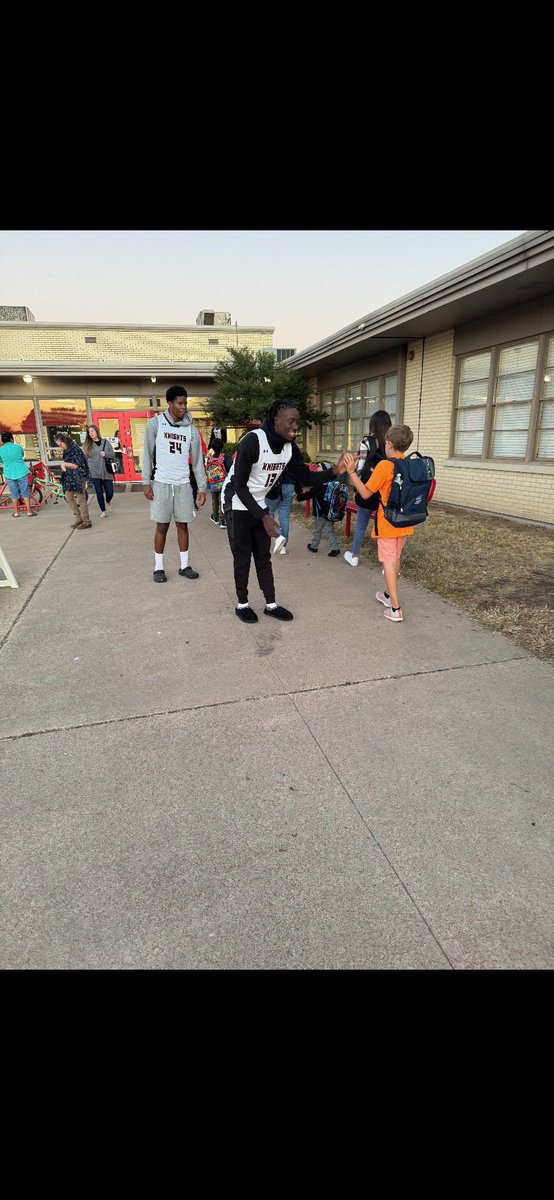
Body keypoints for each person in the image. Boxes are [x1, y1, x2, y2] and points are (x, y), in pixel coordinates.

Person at [221, 399, 349, 622]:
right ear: (276, 420)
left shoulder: (289, 448)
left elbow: (306, 477)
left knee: (263, 556)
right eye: (290, 421)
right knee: (242, 557)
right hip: (236, 502)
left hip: (258, 502)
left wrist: (336, 471)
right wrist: (264, 517)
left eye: (297, 422)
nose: (295, 426)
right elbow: (240, 487)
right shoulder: (252, 442)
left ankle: (270, 604)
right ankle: (242, 604)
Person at [343, 424, 415, 623]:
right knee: (396, 558)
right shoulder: (410, 464)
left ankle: (395, 608)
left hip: (388, 522)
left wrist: (351, 472)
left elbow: (365, 493)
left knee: (388, 562)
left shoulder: (385, 466)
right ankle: (386, 595)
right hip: (406, 521)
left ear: (389, 444)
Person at [142, 384, 207, 583]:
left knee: (183, 526)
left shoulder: (191, 430)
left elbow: (197, 460)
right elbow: (147, 454)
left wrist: (202, 487)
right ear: (169, 403)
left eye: (185, 403)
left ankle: (184, 565)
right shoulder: (156, 424)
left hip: (183, 484)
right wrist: (146, 481)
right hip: (162, 482)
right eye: (179, 403)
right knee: (161, 526)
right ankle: (158, 567)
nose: (183, 407)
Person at [344, 409, 391, 567]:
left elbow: (360, 468)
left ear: (373, 425)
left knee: (361, 525)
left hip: (367, 489)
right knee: (384, 526)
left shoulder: (366, 442)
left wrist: (356, 489)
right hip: (384, 492)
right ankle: (387, 563)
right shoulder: (391, 443)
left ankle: (355, 556)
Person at [304, 463, 344, 557]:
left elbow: (310, 494)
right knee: (329, 530)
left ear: (326, 470)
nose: (317, 468)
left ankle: (314, 546)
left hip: (320, 512)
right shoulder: (332, 484)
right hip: (330, 512)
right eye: (317, 466)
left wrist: (299, 497)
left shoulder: (319, 484)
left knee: (317, 530)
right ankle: (335, 548)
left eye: (320, 467)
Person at [55, 432, 92, 529]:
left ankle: (86, 521)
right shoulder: (66, 450)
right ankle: (79, 517)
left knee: (81, 499)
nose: (60, 447)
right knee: (68, 497)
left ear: (63, 441)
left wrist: (64, 464)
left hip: (79, 477)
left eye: (60, 444)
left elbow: (76, 465)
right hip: (70, 478)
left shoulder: (75, 449)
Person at [264, 459, 300, 555]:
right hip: (290, 485)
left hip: (274, 486)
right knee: (284, 517)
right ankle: (283, 546)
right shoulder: (291, 452)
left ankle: (278, 537)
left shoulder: (273, 451)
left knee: (268, 513)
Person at [0, 432, 36, 517]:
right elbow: (22, 455)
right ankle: (29, 512)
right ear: (11, 439)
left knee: (14, 493)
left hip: (9, 473)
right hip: (21, 472)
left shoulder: (0, 450)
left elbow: (1, 461)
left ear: (2, 441)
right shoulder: (18, 447)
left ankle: (16, 512)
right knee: (25, 492)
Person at [84, 424, 116, 517]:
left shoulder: (105, 442)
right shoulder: (87, 445)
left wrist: (105, 453)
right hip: (94, 472)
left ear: (97, 431)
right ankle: (103, 511)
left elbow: (113, 454)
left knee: (110, 491)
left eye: (92, 431)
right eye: (89, 432)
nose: (91, 433)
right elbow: (85, 458)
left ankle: (108, 500)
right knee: (99, 492)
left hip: (106, 471)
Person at [206, 437, 233, 526]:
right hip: (223, 483)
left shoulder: (209, 459)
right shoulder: (225, 457)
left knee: (215, 500)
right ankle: (223, 520)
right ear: (222, 447)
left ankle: (215, 516)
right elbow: (231, 469)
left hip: (213, 483)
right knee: (223, 500)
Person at [189, 428, 207, 508]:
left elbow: (202, 446)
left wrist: (201, 454)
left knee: (194, 484)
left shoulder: (195, 432)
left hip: (192, 463)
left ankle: (193, 501)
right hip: (185, 464)